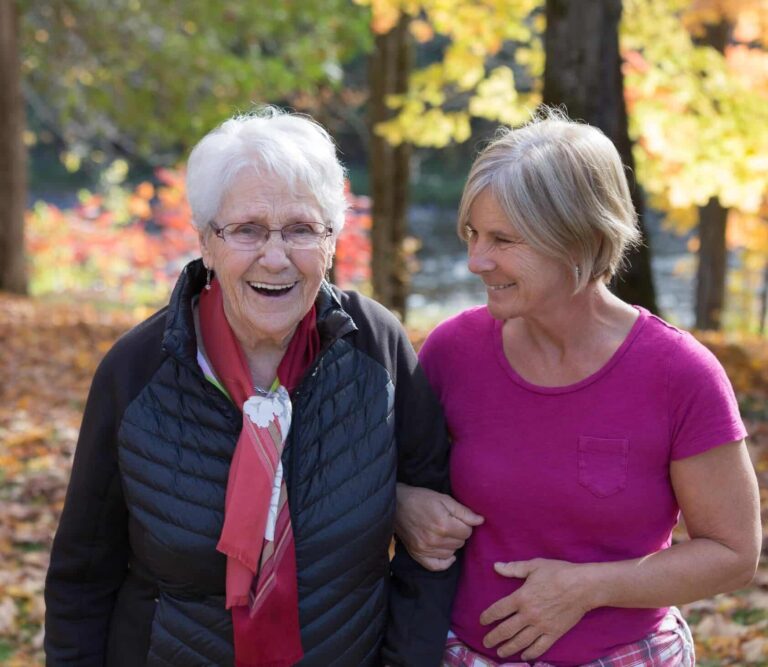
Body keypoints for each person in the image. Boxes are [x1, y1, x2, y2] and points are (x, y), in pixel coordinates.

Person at [44, 107, 456, 667]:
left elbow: (432, 547)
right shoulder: (136, 371)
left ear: (331, 242)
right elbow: (82, 578)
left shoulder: (376, 347)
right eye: (247, 230)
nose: (276, 255)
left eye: (301, 229)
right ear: (207, 243)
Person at [395, 109, 761, 666]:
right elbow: (380, 476)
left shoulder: (680, 374)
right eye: (472, 233)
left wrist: (587, 587)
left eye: (503, 240)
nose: (475, 260)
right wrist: (403, 503)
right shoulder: (452, 351)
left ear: (580, 241)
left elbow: (733, 553)